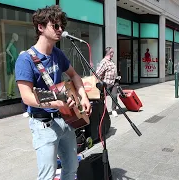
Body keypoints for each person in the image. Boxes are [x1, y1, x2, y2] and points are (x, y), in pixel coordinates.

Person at [15, 5, 91, 180]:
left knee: (72, 168)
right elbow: (27, 97)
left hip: (66, 119)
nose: (60, 29)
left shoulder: (58, 54)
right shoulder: (25, 59)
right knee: (47, 175)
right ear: (40, 27)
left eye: (61, 26)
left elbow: (75, 76)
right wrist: (56, 103)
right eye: (55, 26)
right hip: (44, 125)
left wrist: (83, 96)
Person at [96, 47, 120, 117]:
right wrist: (100, 81)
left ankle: (113, 110)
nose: (113, 53)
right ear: (109, 53)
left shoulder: (111, 61)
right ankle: (102, 112)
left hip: (114, 82)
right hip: (106, 83)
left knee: (114, 96)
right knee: (102, 98)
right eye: (112, 52)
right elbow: (97, 73)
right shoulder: (104, 62)